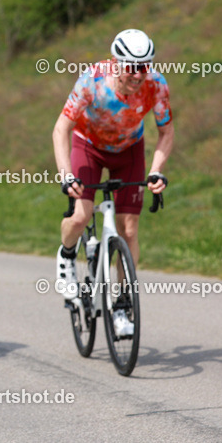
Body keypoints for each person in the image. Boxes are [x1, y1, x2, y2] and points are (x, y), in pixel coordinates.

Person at [53, 28, 173, 337]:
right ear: (115, 62)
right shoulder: (91, 81)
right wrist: (66, 175)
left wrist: (156, 170)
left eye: (144, 66)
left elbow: (166, 132)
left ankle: (122, 304)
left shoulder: (156, 85)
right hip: (88, 147)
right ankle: (67, 254)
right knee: (80, 216)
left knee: (129, 229)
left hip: (129, 150)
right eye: (131, 67)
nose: (138, 75)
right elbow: (61, 129)